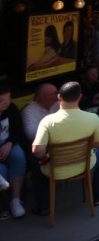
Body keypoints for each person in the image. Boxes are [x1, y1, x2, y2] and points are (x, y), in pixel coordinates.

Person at [31, 81, 99, 216]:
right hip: (84, 166)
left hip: (56, 171)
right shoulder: (92, 118)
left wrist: (47, 152)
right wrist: (87, 148)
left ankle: (44, 206)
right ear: (80, 97)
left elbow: (37, 151)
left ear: (59, 97)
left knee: (35, 165)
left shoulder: (47, 121)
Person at [0, 83, 28, 218]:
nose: (5, 103)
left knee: (19, 156)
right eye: (1, 100)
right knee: (2, 171)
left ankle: (16, 200)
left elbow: (19, 132)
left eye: (7, 99)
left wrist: (10, 142)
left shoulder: (12, 109)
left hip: (8, 144)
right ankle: (4, 206)